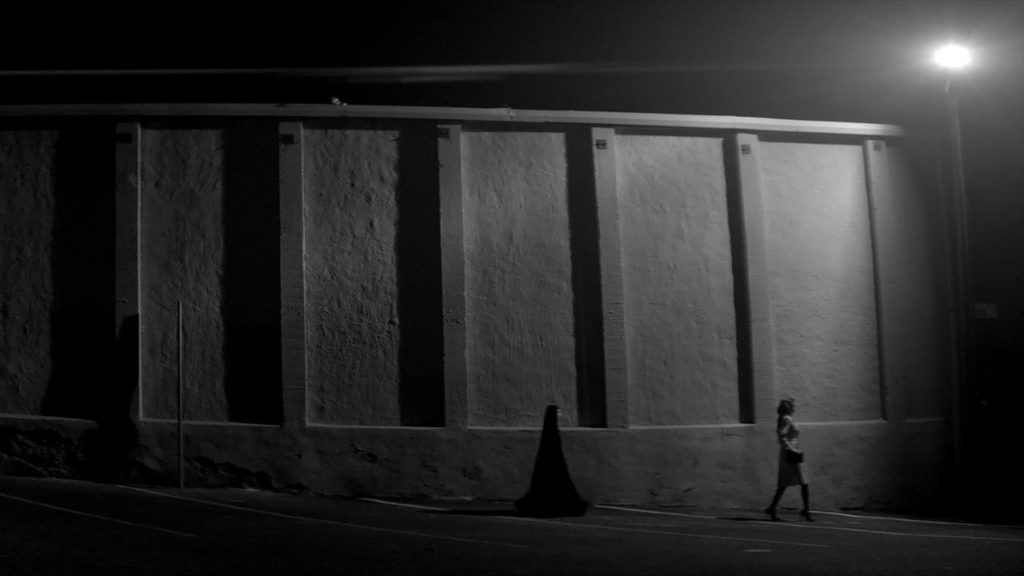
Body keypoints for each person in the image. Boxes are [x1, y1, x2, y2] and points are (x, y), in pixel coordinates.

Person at [765, 398, 813, 521]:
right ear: (789, 408)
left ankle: (772, 507)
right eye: (793, 406)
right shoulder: (787, 419)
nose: (795, 407)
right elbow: (782, 436)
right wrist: (791, 449)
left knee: (786, 482)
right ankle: (806, 510)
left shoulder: (784, 419)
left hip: (791, 451)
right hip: (792, 452)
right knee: (803, 481)